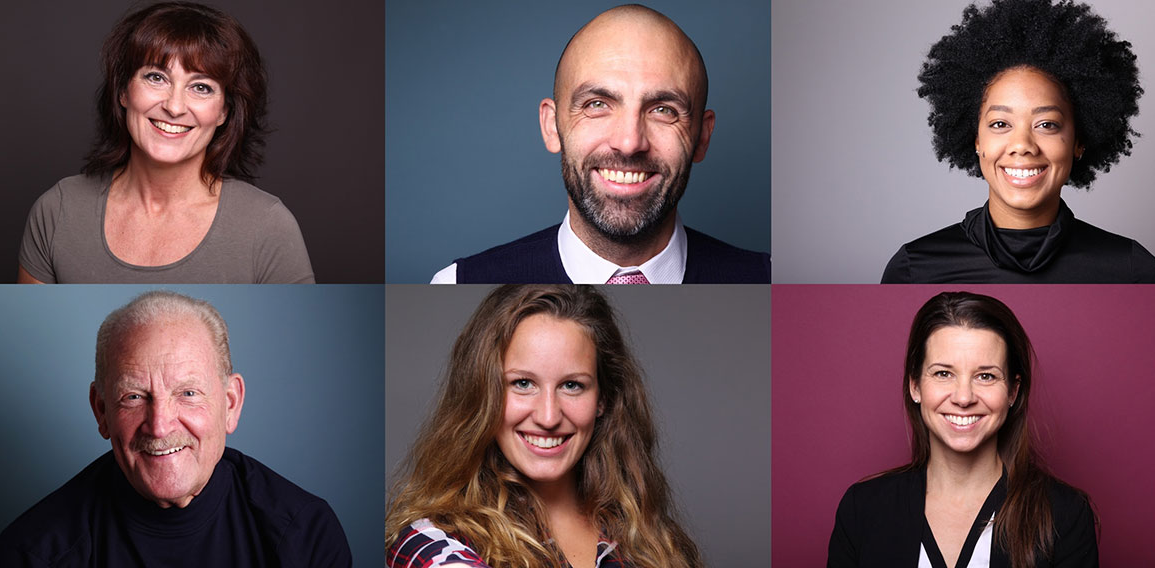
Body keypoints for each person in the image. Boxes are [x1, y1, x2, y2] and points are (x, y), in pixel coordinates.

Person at [0, 291, 350, 566]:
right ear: (101, 410)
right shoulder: (32, 553)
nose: (160, 426)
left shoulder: (305, 536)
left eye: (188, 393)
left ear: (230, 403)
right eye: (134, 397)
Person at [431, 5, 770, 284]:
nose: (628, 142)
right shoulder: (458, 282)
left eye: (663, 110)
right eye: (597, 104)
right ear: (552, 126)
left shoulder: (771, 280)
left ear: (702, 136)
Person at [386, 285, 701, 567]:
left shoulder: (652, 540)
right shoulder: (433, 544)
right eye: (523, 383)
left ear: (602, 399)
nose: (548, 417)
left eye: (572, 386)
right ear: (483, 393)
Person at [18, 2, 314, 283]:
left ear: (224, 111)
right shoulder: (58, 210)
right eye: (156, 77)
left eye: (201, 87)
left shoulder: (268, 227)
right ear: (123, 91)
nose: (174, 107)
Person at [882, 0, 1155, 283]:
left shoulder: (1131, 269)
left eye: (1046, 125)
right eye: (1000, 124)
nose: (1022, 144)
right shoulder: (915, 270)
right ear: (976, 140)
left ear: (1079, 142)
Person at [827, 292, 1097, 567]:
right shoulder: (862, 508)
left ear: (1013, 392)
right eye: (943, 373)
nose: (964, 397)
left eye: (986, 376)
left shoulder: (1065, 515)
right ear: (915, 386)